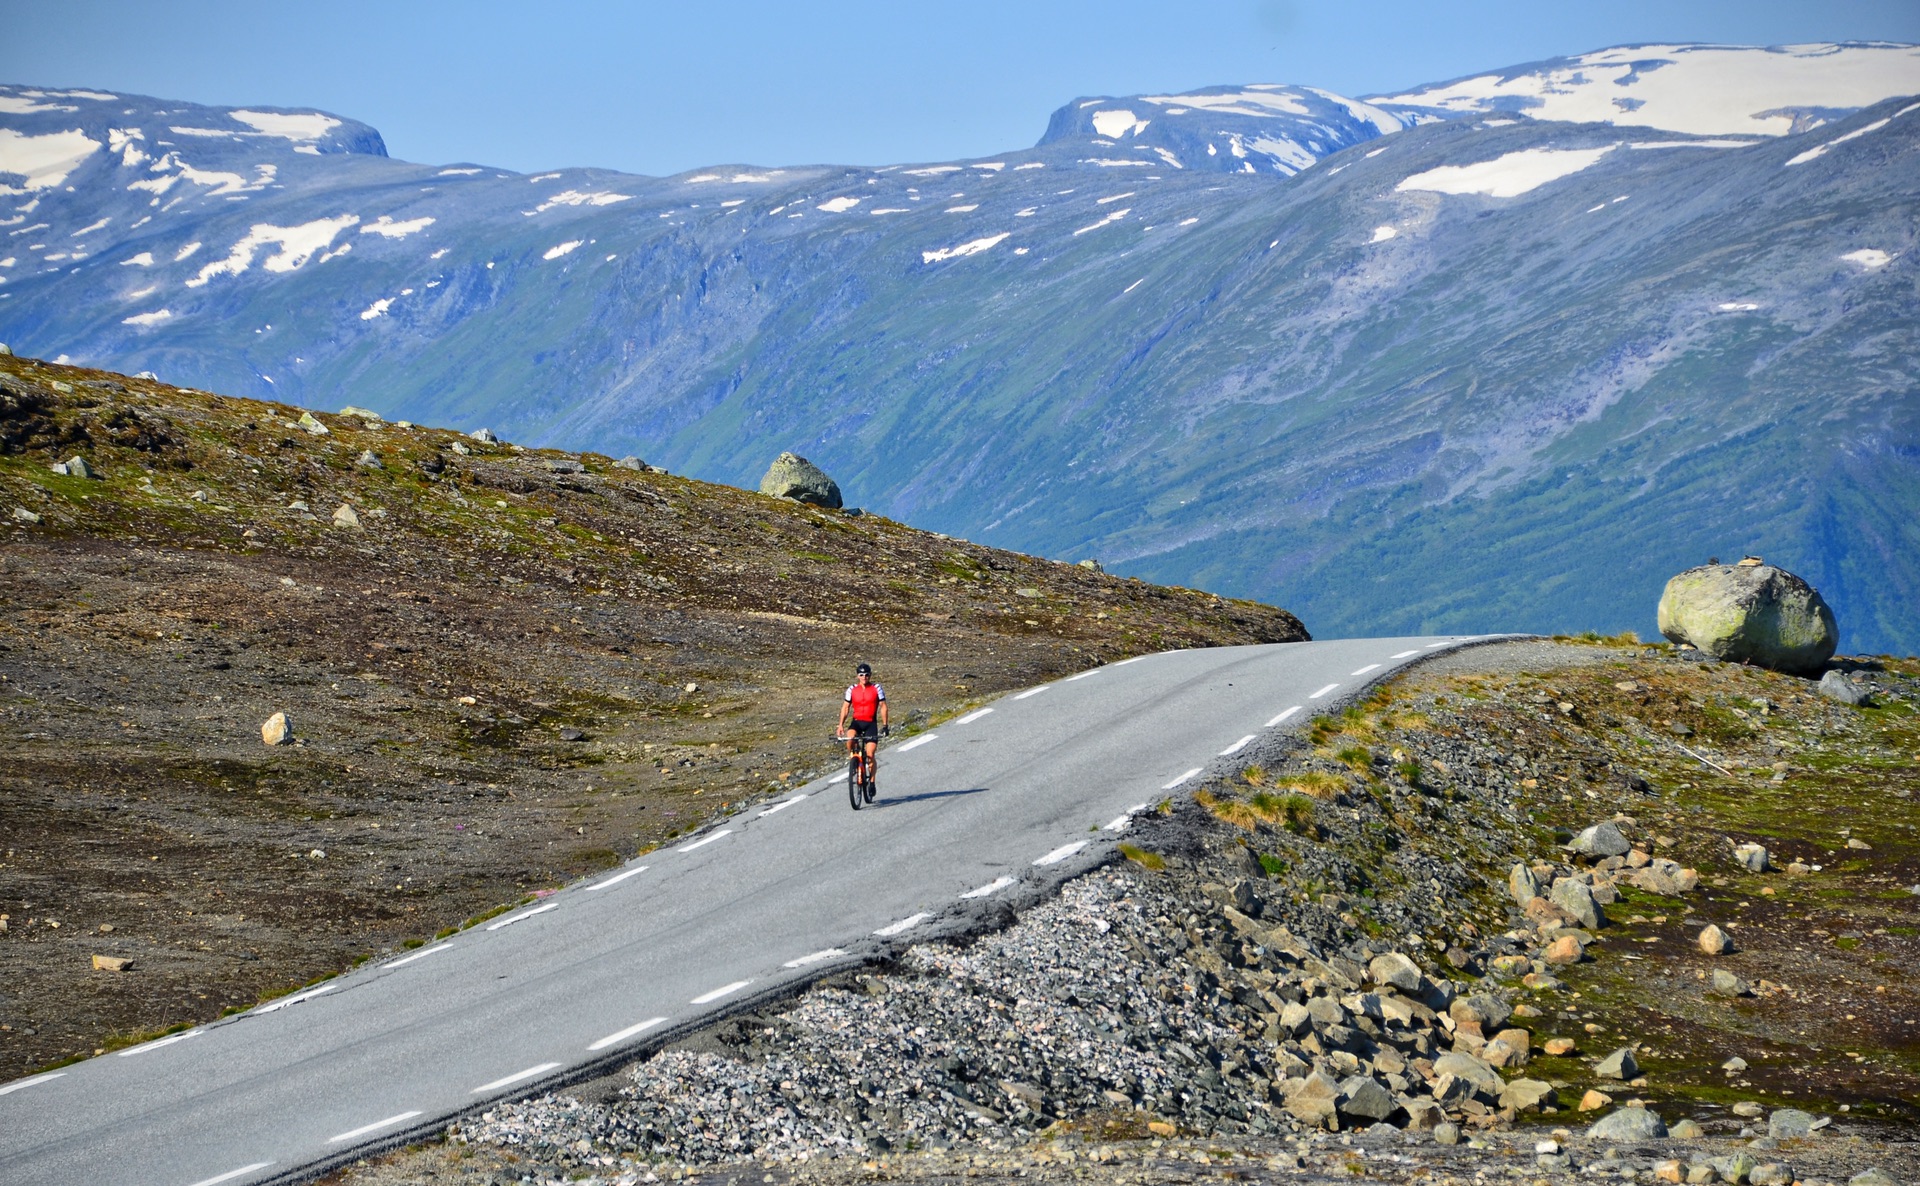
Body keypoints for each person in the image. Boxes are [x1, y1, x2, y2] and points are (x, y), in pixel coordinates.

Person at [836, 662, 889, 793]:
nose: (864, 677)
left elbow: (883, 706)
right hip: (857, 722)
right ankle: (853, 759)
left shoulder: (877, 688)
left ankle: (872, 782)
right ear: (857, 676)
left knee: (870, 754)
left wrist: (885, 725)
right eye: (861, 675)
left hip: (871, 723)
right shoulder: (852, 689)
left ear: (870, 675)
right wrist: (841, 725)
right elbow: (845, 707)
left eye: (866, 675)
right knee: (850, 738)